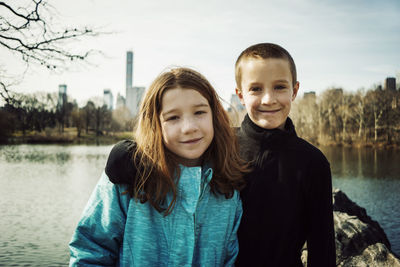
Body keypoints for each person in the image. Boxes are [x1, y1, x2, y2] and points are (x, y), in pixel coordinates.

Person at [69, 67, 248, 266]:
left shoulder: (228, 184)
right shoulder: (128, 177)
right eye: (173, 118)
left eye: (199, 112)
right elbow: (90, 251)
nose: (189, 127)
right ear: (155, 124)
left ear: (214, 116)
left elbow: (230, 258)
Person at [234, 43, 336, 267]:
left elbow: (323, 246)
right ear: (240, 95)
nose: (268, 99)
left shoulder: (312, 162)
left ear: (295, 90)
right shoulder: (222, 148)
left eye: (279, 87)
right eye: (256, 89)